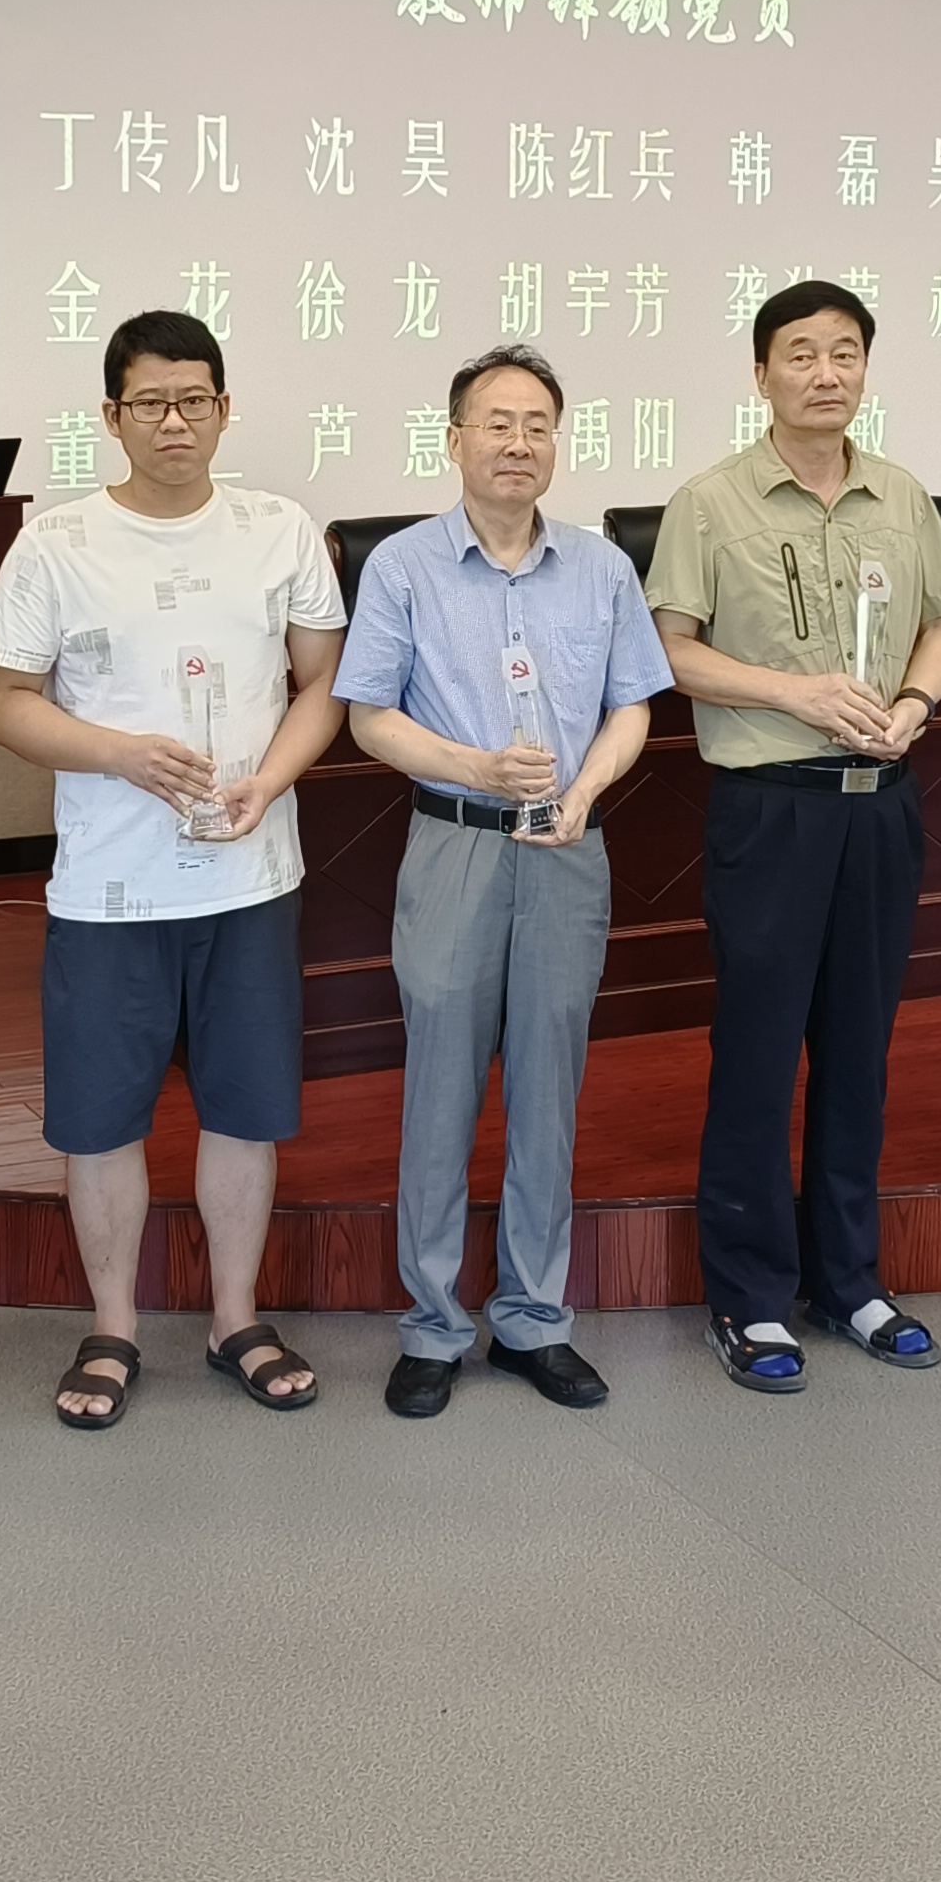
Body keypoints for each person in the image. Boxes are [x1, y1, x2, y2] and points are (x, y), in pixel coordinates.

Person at [0, 310, 346, 1428]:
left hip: (250, 877)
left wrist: (269, 780)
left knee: (245, 1109)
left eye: (194, 400)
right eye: (149, 402)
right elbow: (4, 703)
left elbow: (323, 685)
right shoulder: (57, 544)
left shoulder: (278, 529)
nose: (173, 421)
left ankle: (237, 1318)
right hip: (109, 887)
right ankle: (114, 1328)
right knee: (100, 1120)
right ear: (112, 416)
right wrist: (119, 755)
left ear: (224, 410)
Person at [644, 279, 941, 1390]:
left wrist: (916, 706)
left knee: (858, 1050)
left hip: (882, 805)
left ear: (865, 370)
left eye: (844, 353)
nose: (825, 373)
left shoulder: (902, 495)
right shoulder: (709, 502)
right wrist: (795, 693)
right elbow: (672, 651)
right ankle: (746, 1298)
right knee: (757, 1052)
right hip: (771, 808)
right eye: (800, 353)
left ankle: (848, 1281)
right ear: (760, 375)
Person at [335, 344, 669, 1418]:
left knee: (548, 1091)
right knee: (440, 1090)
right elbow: (368, 717)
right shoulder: (403, 567)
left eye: (537, 425)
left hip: (568, 847)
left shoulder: (602, 568)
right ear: (455, 440)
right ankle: (432, 1326)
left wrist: (586, 789)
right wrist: (473, 767)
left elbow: (633, 705)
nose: (518, 442)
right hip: (456, 844)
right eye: (497, 422)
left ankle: (533, 1320)